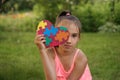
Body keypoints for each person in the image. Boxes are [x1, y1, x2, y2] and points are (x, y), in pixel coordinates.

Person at [34, 10, 92, 80]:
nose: (69, 41)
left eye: (74, 36)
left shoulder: (81, 58)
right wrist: (42, 50)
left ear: (78, 38)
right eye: (64, 34)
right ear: (55, 34)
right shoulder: (51, 53)